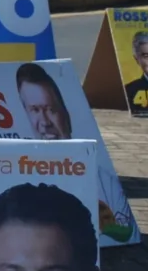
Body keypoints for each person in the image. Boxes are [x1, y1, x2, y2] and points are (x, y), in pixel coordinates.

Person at [14, 61, 137, 244]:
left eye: (51, 109)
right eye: (35, 110)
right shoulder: (13, 179)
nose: (45, 121)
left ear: (66, 114)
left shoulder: (104, 184)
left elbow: (125, 234)